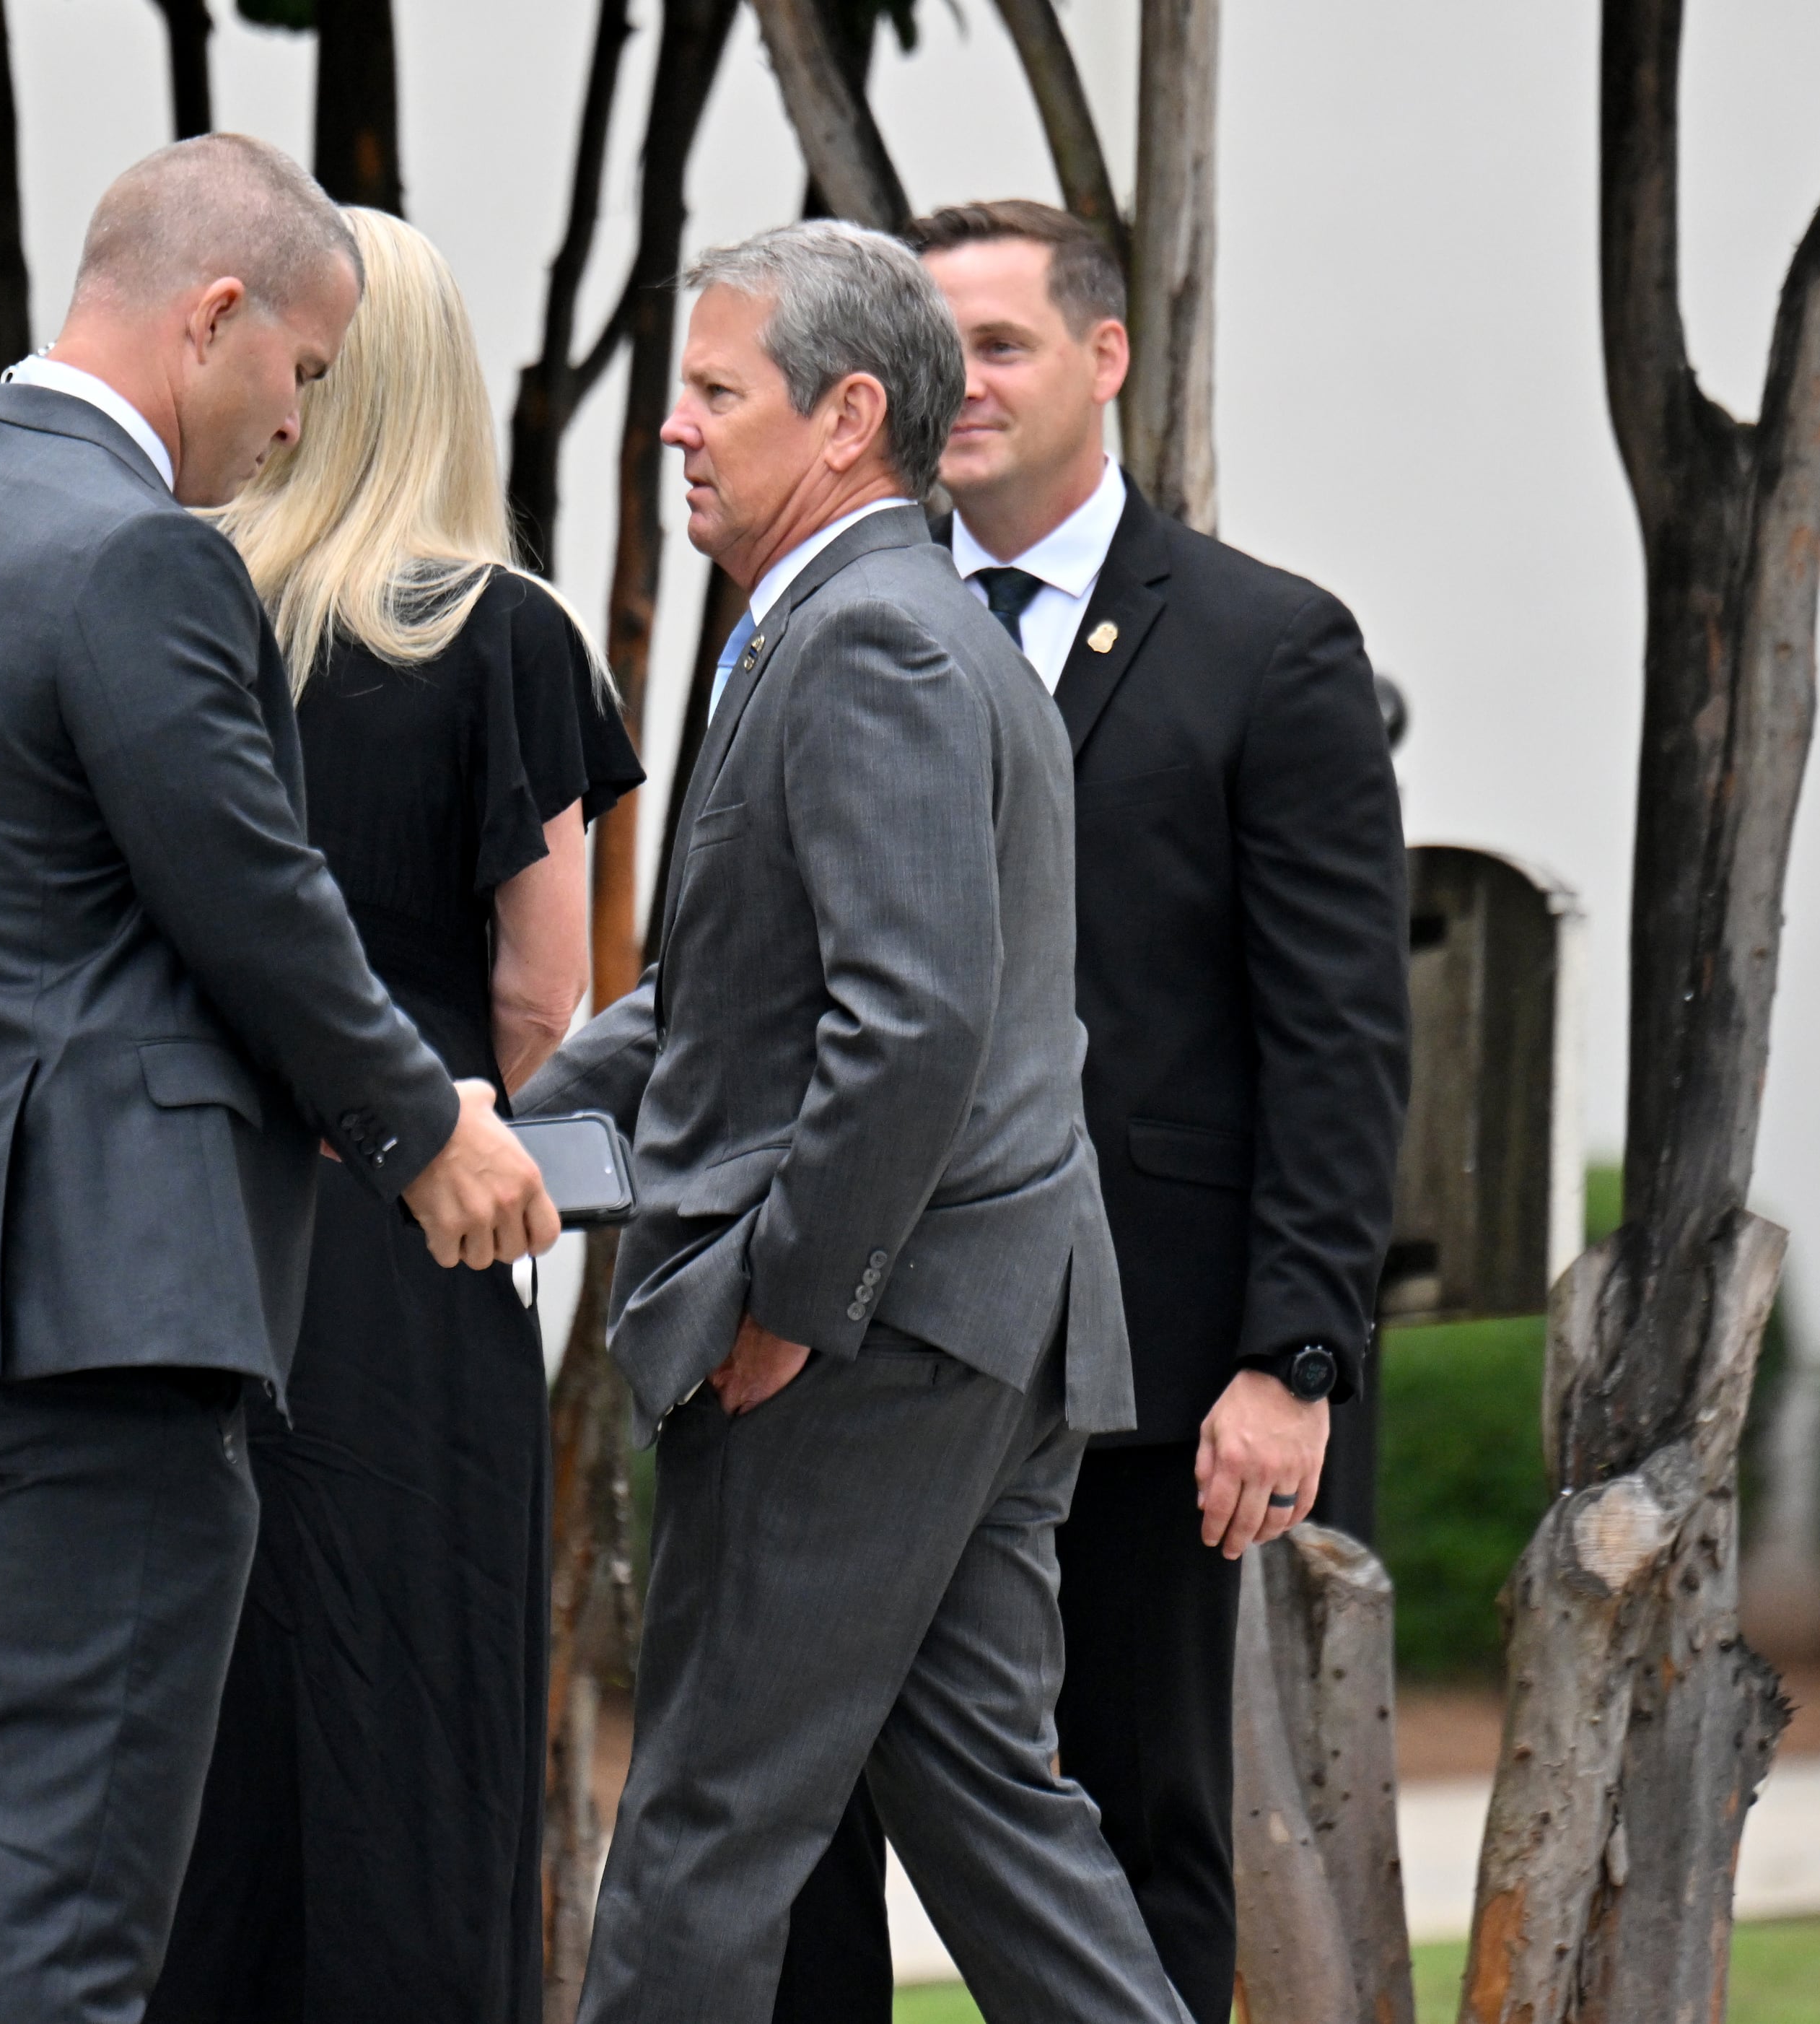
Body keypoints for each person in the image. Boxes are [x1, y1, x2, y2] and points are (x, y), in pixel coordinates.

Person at [0, 134, 561, 2024]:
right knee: (72, 1897)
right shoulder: (140, 551)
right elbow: (253, 898)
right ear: (213, 318)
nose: (297, 422)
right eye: (299, 369)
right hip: (97, 1310)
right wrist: (427, 1120)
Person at [516, 218, 1188, 2024]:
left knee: (702, 1822)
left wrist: (785, 1306)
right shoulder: (894, 625)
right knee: (987, 1808)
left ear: (846, 418)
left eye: (714, 391)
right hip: (979, 1317)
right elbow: (736, 999)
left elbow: (909, 1028)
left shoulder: (868, 642)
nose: (675, 427)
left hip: (872, 1340)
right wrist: (501, 1124)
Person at [772, 199, 1412, 2024]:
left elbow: (1339, 1034)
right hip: (856, 1344)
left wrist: (1291, 1356)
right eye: (931, 347)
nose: (955, 386)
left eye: (1000, 345)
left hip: (1141, 1357)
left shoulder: (1266, 647)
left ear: (1105, 358)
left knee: (1141, 1821)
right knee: (800, 1827)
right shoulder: (828, 626)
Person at [147, 209, 641, 2024]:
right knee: (413, 1702)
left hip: (195, 1209)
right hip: (421, 1218)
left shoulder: (170, 602)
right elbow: (538, 997)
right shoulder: (503, 634)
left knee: (207, 1698)